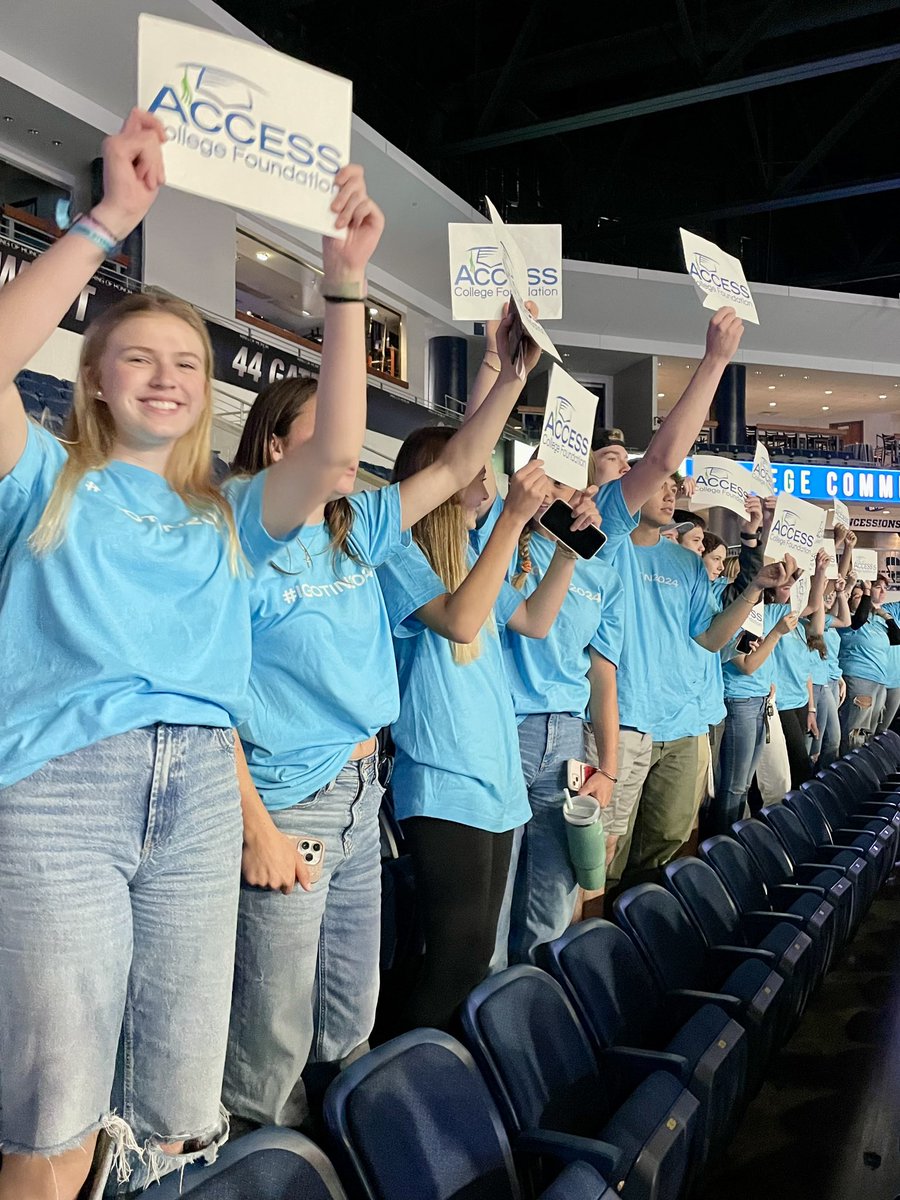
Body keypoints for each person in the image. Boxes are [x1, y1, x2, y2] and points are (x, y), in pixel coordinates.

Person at [0, 112, 379, 1200]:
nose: (165, 378)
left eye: (187, 364)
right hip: (62, 793)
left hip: (206, 790)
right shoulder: (42, 476)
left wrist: (344, 285)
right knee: (55, 1122)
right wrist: (110, 219)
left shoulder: (234, 513)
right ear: (95, 377)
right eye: (138, 358)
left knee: (175, 1117)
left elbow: (341, 452)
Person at [223, 306, 547, 1132]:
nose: (344, 447)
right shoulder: (238, 537)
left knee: (350, 1009)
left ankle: (348, 1149)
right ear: (273, 448)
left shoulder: (353, 527)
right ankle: (268, 1168)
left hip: (362, 793)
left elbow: (462, 462)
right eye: (323, 431)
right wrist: (254, 824)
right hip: (289, 803)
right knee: (273, 1036)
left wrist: (509, 372)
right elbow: (207, 697)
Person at [377, 444, 591, 1029]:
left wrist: (568, 554)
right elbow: (461, 620)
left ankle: (445, 1079)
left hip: (495, 777)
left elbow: (534, 621)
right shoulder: (401, 554)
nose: (489, 492)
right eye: (478, 477)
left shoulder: (472, 551)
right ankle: (402, 1094)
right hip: (443, 776)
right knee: (454, 955)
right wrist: (517, 521)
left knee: (470, 960)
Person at [606, 476, 796, 889]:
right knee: (606, 853)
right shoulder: (609, 546)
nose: (669, 493)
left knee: (667, 843)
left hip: (685, 725)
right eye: (657, 484)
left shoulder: (686, 564)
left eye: (673, 487)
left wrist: (757, 588)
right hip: (623, 722)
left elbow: (710, 637)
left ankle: (641, 938)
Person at [767, 551, 828, 788]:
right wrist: (820, 574)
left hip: (800, 701)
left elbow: (806, 672)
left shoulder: (800, 626)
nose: (791, 592)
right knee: (799, 766)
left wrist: (811, 707)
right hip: (780, 703)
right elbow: (813, 603)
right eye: (785, 587)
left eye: (794, 586)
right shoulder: (772, 616)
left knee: (795, 767)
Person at [838, 574, 892, 750]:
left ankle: (861, 770)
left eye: (864, 597)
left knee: (870, 731)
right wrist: (867, 591)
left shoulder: (877, 621)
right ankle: (847, 771)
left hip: (879, 680)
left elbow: (896, 636)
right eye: (857, 597)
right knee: (854, 729)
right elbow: (859, 618)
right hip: (859, 677)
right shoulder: (846, 620)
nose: (862, 601)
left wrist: (885, 615)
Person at [808, 578, 850, 768]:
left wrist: (841, 593)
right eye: (825, 591)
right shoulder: (808, 618)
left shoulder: (824, 618)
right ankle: (807, 787)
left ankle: (821, 784)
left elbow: (845, 620)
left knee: (832, 739)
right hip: (811, 684)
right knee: (813, 744)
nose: (828, 594)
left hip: (825, 681)